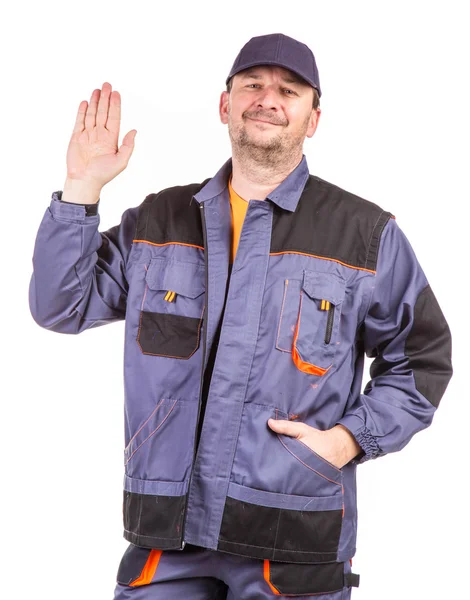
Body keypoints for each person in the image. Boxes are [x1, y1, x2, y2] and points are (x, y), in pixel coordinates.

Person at [28, 32, 453, 600]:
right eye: (251, 84)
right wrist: (80, 188)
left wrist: (350, 440)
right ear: (225, 105)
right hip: (166, 537)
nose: (267, 98)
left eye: (289, 90)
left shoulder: (363, 234)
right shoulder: (160, 220)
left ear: (313, 118)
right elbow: (60, 305)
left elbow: (423, 359)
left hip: (291, 538)